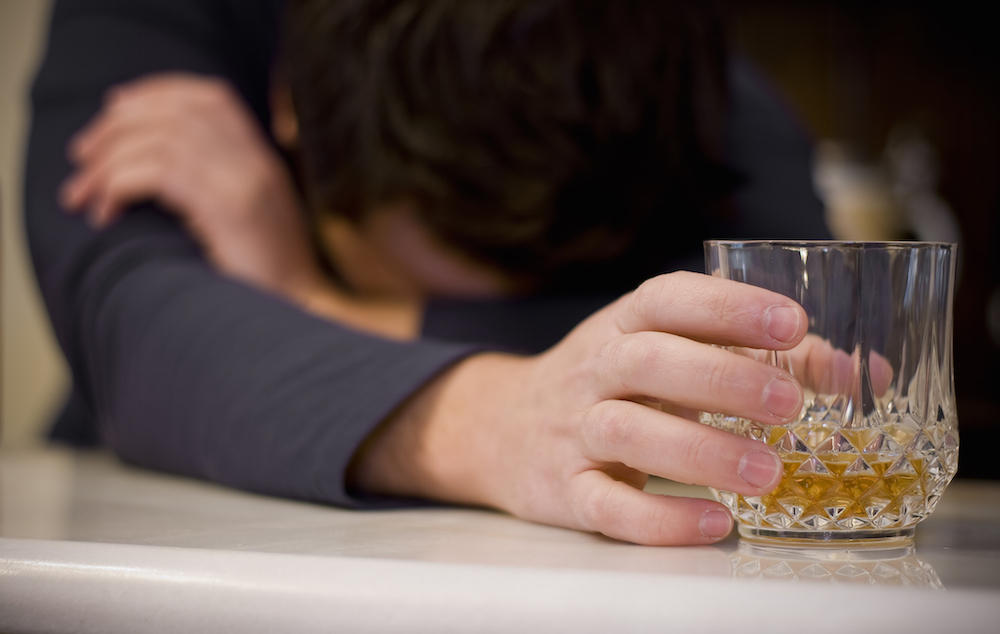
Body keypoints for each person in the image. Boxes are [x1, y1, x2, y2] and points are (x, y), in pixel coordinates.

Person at [27, 0, 830, 546]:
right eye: (406, 280)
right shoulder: (160, 29)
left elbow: (811, 335)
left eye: (545, 283)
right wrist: (492, 421)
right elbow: (132, 334)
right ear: (290, 101)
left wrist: (317, 300)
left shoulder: (643, 44)